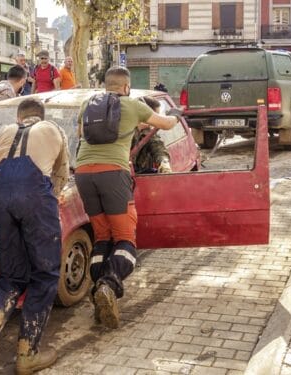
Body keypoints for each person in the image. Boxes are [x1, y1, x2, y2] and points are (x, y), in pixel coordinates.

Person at [0, 98, 69, 375]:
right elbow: (61, 175)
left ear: (19, 117)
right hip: (35, 197)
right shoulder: (53, 130)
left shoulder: (3, 132)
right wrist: (45, 207)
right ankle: (27, 354)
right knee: (45, 274)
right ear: (41, 116)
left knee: (10, 275)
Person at [74, 67, 180, 329]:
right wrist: (174, 114)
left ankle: (98, 287)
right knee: (125, 239)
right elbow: (165, 124)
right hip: (113, 174)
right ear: (126, 87)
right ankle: (109, 285)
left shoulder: (89, 104)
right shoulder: (133, 105)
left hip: (83, 174)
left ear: (106, 84)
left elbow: (80, 134)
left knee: (102, 237)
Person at [132, 96, 172, 174]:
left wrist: (164, 162)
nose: (156, 121)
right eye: (155, 116)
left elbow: (157, 146)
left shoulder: (146, 131)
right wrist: (137, 129)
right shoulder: (122, 127)